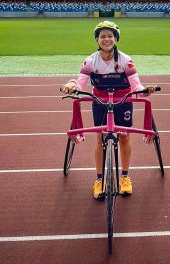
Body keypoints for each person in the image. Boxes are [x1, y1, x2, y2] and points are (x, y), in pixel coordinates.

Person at [60, 21, 157, 200]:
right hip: (100, 101)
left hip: (123, 100)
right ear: (97, 40)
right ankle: (99, 179)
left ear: (116, 38)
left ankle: (125, 177)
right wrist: (70, 85)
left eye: (110, 36)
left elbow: (136, 85)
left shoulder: (126, 61)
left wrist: (145, 91)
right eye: (102, 36)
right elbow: (80, 83)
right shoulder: (90, 61)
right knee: (100, 137)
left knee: (124, 137)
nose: (106, 39)